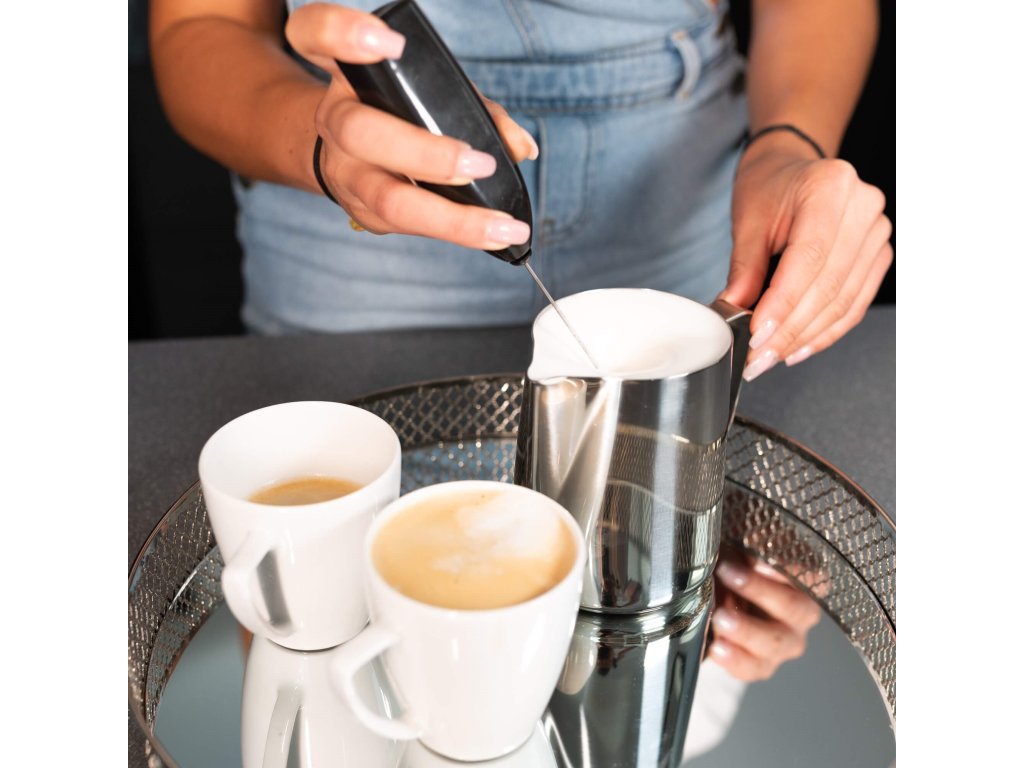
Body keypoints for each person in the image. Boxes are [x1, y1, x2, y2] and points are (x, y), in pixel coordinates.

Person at [149, 0, 884, 716]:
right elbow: (202, 25)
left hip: (678, 223)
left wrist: (788, 145)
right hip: (358, 244)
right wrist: (318, 140)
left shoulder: (697, 724)